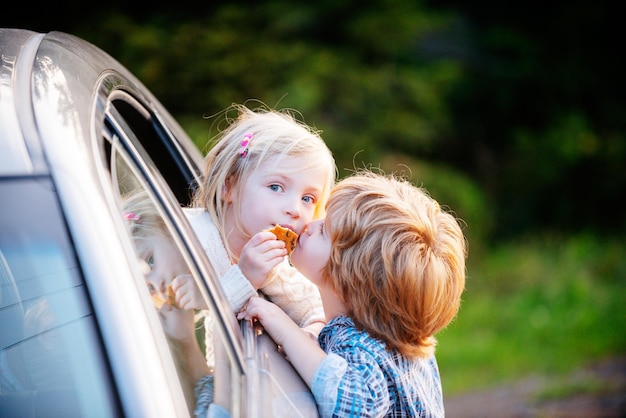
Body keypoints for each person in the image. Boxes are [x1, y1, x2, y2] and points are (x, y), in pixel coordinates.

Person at [239, 170, 468, 417]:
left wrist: (285, 330)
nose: (310, 225)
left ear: (350, 276)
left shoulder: (359, 346)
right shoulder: (397, 340)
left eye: (325, 230)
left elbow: (352, 407)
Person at [177, 103, 337, 363]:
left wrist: (307, 334)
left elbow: (315, 308)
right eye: (276, 187)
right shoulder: (185, 235)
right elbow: (189, 316)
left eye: (308, 198)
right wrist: (245, 278)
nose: (295, 209)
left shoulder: (272, 264)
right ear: (229, 187)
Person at [121, 190, 213, 416]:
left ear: (168, 227)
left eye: (150, 260)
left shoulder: (232, 255)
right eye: (147, 288)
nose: (158, 285)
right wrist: (185, 340)